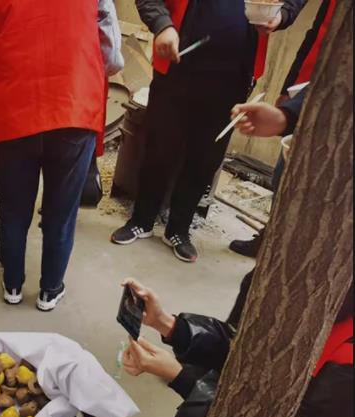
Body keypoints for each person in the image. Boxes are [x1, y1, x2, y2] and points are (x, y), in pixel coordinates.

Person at [122, 277, 353, 417]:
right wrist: (169, 325)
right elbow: (251, 350)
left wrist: (182, 378)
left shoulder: (346, 364)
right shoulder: (316, 302)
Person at [110, 0, 305, 263]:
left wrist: (283, 14)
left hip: (233, 75)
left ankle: (179, 229)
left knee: (206, 157)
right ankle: (141, 220)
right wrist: (162, 24)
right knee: (159, 146)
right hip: (178, 64)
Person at [0, 0, 123, 311]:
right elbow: (112, 58)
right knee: (61, 211)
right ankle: (50, 290)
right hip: (72, 107)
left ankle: (12, 284)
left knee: (13, 209)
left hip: (15, 112)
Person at [229, 0, 334, 258]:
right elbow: (314, 34)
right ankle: (270, 240)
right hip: (307, 90)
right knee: (283, 175)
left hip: (335, 110)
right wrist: (289, 99)